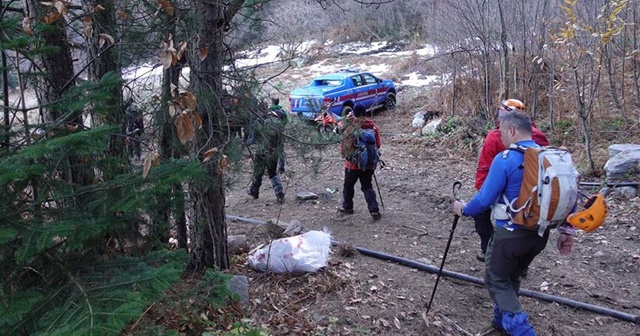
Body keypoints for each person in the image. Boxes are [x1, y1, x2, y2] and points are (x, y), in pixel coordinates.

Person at [453, 111, 575, 335]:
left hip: (509, 235)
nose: (501, 138)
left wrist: (463, 209)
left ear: (512, 130)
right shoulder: (549, 158)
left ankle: (521, 329)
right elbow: (569, 196)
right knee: (512, 277)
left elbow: (484, 199)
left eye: (501, 133)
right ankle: (501, 323)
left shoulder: (506, 159)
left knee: (496, 279)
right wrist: (567, 231)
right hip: (539, 234)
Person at [473, 99, 549, 262]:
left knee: (481, 213)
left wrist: (482, 192)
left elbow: (484, 168)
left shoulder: (494, 137)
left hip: (506, 192)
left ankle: (488, 250)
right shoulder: (539, 137)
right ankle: (521, 262)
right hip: (537, 195)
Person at [338, 105, 382, 220]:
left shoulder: (350, 127)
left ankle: (348, 207)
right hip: (369, 164)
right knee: (367, 186)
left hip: (352, 165)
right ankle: (374, 210)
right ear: (365, 113)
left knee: (348, 185)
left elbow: (344, 142)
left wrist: (347, 119)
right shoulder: (372, 126)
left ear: (354, 114)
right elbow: (378, 144)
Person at [247, 109, 285, 204]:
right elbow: (281, 145)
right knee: (272, 172)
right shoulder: (280, 125)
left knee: (258, 171)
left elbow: (256, 134)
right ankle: (279, 193)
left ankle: (254, 192)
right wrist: (282, 164)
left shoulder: (264, 121)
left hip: (261, 151)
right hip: (274, 152)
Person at [269, 97, 288, 174]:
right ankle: (281, 168)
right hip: (280, 133)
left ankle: (271, 168)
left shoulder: (270, 111)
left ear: (272, 102)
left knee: (271, 151)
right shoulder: (282, 111)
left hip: (271, 134)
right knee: (281, 151)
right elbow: (286, 121)